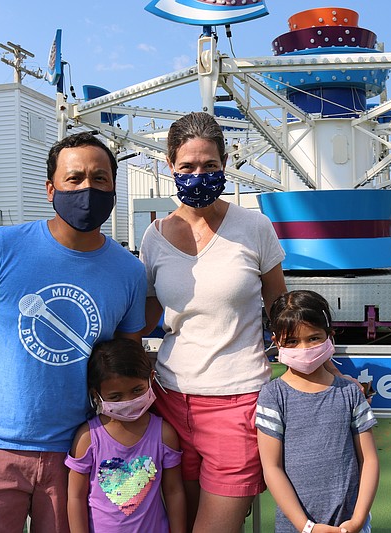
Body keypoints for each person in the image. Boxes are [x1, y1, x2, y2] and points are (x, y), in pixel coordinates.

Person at [0, 132, 147, 532]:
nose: (88, 188)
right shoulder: (5, 246)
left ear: (114, 189)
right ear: (51, 188)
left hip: (78, 453)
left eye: (100, 179)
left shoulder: (129, 271)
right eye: (75, 178)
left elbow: (126, 367)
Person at [139, 111, 287, 532]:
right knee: (172, 525)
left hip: (237, 401)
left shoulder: (254, 227)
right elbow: (147, 313)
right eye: (187, 167)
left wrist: (319, 364)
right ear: (170, 165)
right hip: (168, 401)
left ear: (225, 164)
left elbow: (279, 303)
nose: (198, 174)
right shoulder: (155, 235)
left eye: (209, 166)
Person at [257, 290, 379, 533]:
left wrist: (357, 520)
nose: (304, 348)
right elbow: (271, 467)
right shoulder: (273, 396)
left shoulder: (350, 393)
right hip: (297, 528)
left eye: (314, 338)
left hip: (351, 525)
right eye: (292, 341)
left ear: (329, 336)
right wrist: (307, 527)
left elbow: (369, 459)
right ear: (276, 340)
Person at [65, 338, 186, 533]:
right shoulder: (88, 438)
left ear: (151, 379)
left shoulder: (164, 435)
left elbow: (174, 491)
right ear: (96, 395)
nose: (129, 400)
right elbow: (75, 496)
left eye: (137, 390)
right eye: (116, 397)